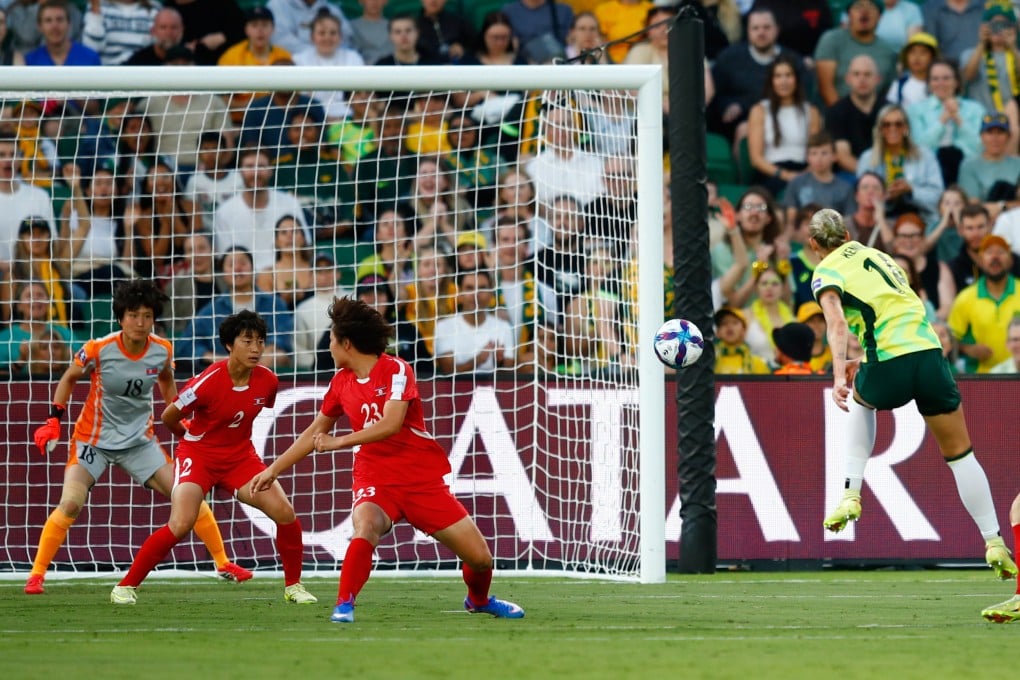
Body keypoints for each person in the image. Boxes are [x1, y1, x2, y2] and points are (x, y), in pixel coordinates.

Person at [248, 296, 524, 623]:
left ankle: (478, 600)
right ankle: (344, 604)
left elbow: (391, 424)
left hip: (421, 481)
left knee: (481, 560)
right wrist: (273, 470)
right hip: (375, 479)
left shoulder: (396, 369)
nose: (329, 348)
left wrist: (340, 441)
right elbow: (314, 433)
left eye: (332, 341)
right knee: (366, 526)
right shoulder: (340, 382)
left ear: (346, 343)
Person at [807, 207, 1017, 583]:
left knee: (859, 399)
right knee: (960, 453)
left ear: (813, 244)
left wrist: (840, 371)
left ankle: (851, 493)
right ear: (848, 232)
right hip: (931, 355)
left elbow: (837, 323)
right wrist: (863, 358)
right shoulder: (881, 256)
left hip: (889, 359)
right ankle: (994, 540)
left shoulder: (826, 271)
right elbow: (894, 311)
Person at [25, 280, 252, 596]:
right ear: (121, 317)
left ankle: (223, 563)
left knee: (187, 493)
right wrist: (54, 419)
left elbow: (168, 387)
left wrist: (185, 421)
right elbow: (69, 378)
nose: (140, 323)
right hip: (93, 440)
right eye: (133, 315)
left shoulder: (162, 350)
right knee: (71, 503)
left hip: (139, 442)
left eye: (147, 316)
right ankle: (36, 575)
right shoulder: (98, 349)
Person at [110, 310, 316, 606]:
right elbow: (169, 416)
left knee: (285, 513)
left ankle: (294, 587)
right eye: (248, 341)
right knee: (181, 522)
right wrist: (190, 441)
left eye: (260, 341)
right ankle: (125, 586)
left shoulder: (268, 381)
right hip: (199, 456)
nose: (256, 348)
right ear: (229, 345)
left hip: (240, 459)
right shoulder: (206, 381)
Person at [746, 53, 821, 195]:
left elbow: (816, 152)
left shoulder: (811, 112)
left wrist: (803, 174)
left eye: (788, 75)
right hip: (771, 173)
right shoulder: (759, 110)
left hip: (804, 170)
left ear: (797, 79)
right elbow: (756, 159)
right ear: (771, 81)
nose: (783, 81)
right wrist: (785, 175)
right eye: (778, 76)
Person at [947, 233, 1020, 373]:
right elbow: (949, 339)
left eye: (1001, 252)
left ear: (1010, 260)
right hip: (981, 378)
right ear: (980, 260)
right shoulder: (966, 297)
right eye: (989, 252)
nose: (995, 257)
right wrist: (967, 349)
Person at [813, 0, 898, 108]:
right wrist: (843, 117)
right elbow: (826, 88)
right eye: (858, 6)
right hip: (835, 116)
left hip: (874, 117)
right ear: (848, 15)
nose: (864, 11)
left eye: (871, 7)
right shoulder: (831, 40)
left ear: (880, 17)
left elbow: (888, 93)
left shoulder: (887, 50)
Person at [24, 0, 101, 66]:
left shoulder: (90, 58)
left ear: (69, 24)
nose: (54, 26)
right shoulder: (30, 62)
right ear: (40, 27)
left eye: (59, 19)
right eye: (48, 20)